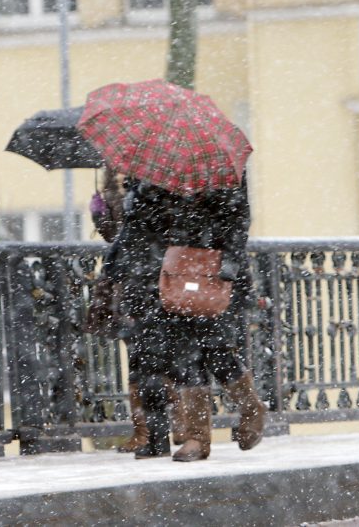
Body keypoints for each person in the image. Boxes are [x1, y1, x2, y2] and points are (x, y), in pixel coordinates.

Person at [103, 173, 266, 461]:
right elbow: (137, 228)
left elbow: (237, 221)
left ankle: (251, 407)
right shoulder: (149, 171)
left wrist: (226, 265)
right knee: (183, 354)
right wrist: (118, 266)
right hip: (168, 275)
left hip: (212, 274)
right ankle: (197, 438)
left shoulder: (219, 168)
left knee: (216, 351)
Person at [90, 167, 189, 452]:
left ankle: (170, 424)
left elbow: (149, 234)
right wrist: (102, 210)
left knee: (159, 357)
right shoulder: (118, 193)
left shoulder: (156, 191)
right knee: (139, 359)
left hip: (157, 280)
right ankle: (146, 430)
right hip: (132, 283)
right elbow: (114, 238)